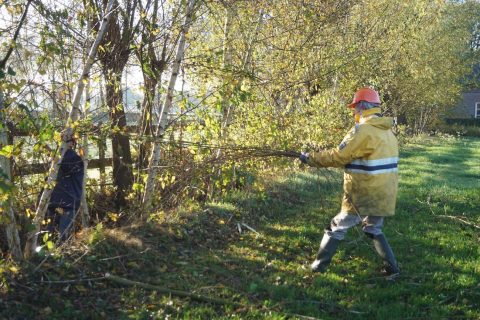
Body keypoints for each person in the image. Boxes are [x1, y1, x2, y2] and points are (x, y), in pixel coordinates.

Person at [299, 87, 400, 278]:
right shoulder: (388, 132)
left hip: (363, 194)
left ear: (362, 107)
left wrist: (310, 159)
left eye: (354, 107)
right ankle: (392, 269)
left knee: (336, 226)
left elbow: (339, 157)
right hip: (384, 192)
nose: (353, 111)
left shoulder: (362, 131)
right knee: (373, 228)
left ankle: (318, 267)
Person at [45, 129, 84, 242]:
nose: (62, 143)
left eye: (66, 140)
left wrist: (52, 154)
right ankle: (51, 258)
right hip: (55, 201)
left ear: (72, 143)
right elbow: (49, 179)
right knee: (49, 236)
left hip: (67, 202)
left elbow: (66, 167)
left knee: (63, 237)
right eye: (61, 140)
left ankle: (63, 258)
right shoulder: (57, 157)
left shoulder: (73, 158)